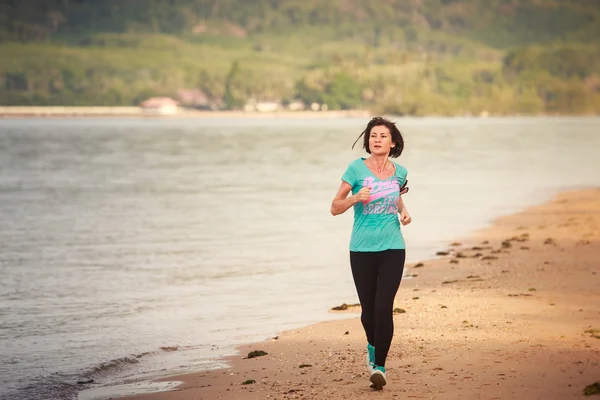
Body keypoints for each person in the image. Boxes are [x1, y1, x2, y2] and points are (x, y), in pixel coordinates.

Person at [330, 117, 411, 390]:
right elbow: (334, 207)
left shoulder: (400, 172)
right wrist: (355, 198)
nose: (376, 139)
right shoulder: (355, 169)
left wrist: (403, 210)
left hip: (393, 247)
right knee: (368, 312)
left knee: (383, 306)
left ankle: (380, 368)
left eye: (382, 136)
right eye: (373, 136)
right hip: (361, 248)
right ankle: (372, 347)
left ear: (393, 142)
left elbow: (396, 194)